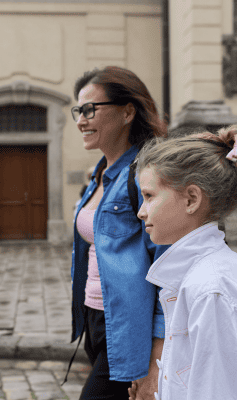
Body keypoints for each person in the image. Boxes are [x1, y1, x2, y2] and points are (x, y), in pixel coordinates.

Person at [69, 66, 170, 399]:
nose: (81, 120)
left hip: (128, 324)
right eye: (78, 111)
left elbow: (167, 264)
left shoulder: (144, 176)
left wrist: (156, 358)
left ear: (128, 111)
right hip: (95, 317)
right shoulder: (101, 173)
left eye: (90, 110)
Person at [127, 127, 237, 400]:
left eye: (150, 196)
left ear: (191, 199)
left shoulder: (210, 289)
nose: (141, 211)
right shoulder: (192, 278)